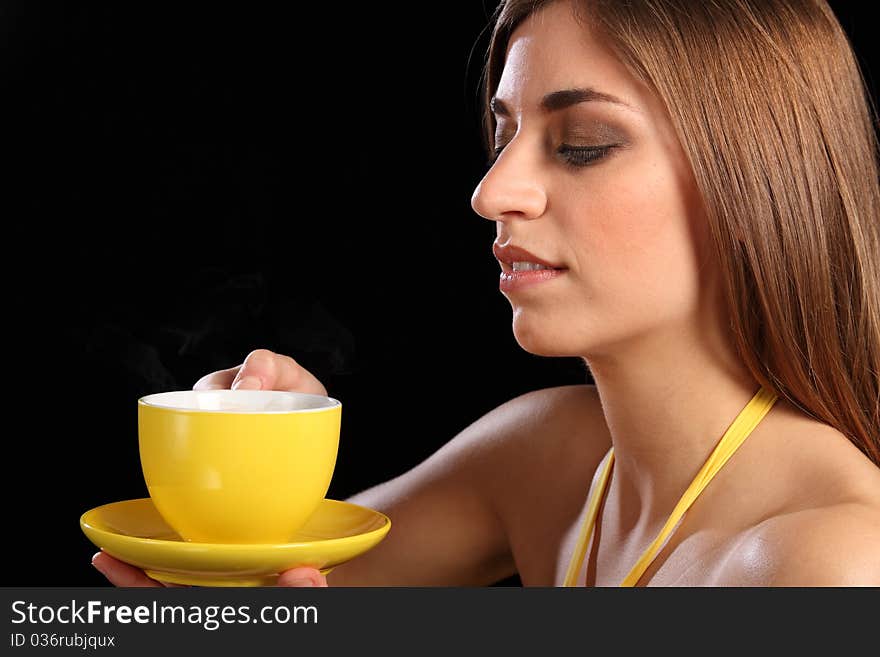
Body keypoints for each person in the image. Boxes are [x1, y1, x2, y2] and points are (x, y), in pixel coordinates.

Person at [92, 0, 880, 587]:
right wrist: (256, 478)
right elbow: (267, 598)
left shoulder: (828, 562)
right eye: (503, 139)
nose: (493, 190)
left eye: (582, 146)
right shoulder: (540, 457)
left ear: (756, 185)